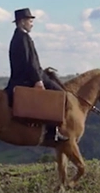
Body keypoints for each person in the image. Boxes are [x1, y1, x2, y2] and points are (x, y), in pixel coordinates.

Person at [5, 8, 68, 143]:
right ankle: (52, 132)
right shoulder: (22, 38)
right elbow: (30, 62)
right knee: (59, 94)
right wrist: (38, 80)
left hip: (31, 74)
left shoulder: (20, 36)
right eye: (30, 21)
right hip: (27, 78)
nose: (32, 24)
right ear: (22, 22)